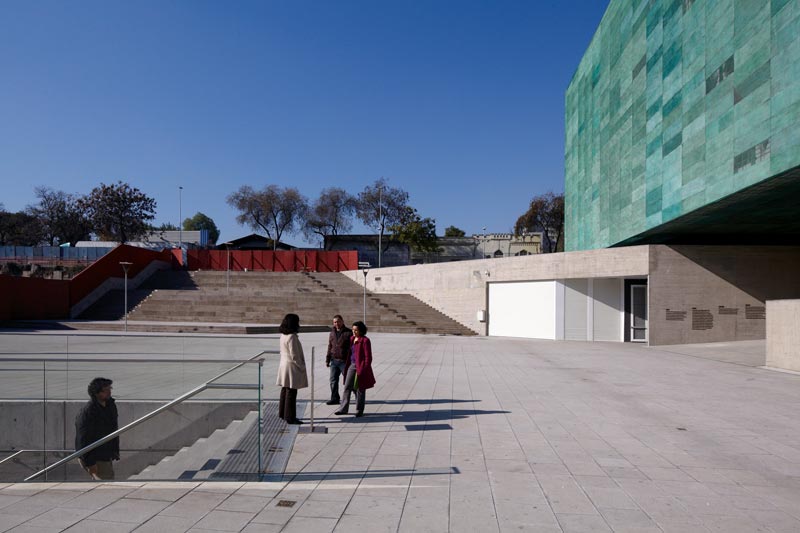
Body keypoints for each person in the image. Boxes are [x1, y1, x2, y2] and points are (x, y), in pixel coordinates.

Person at [75, 377, 120, 480]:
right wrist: (90, 463)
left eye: (110, 388)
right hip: (95, 457)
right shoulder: (88, 412)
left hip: (106, 454)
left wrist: (114, 452)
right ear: (96, 393)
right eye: (105, 390)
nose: (109, 392)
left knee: (106, 483)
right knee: (106, 485)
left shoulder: (110, 405)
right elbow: (83, 439)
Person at [335, 320, 376, 417]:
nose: (354, 332)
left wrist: (364, 368)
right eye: (353, 330)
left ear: (361, 331)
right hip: (352, 365)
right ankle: (343, 409)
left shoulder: (365, 340)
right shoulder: (352, 338)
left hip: (361, 367)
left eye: (356, 330)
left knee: (360, 389)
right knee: (347, 387)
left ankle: (359, 410)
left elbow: (368, 357)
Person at [277, 313, 308, 425]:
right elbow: (294, 355)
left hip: (284, 364)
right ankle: (290, 417)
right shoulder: (292, 337)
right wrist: (302, 366)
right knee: (292, 391)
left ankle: (283, 413)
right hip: (291, 366)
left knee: (285, 390)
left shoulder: (283, 335)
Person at [326, 314, 352, 405]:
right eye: (335, 322)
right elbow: (330, 346)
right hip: (334, 361)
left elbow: (352, 347)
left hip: (344, 361)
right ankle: (334, 398)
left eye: (338, 321)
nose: (336, 323)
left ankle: (358, 397)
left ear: (342, 321)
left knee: (349, 381)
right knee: (333, 380)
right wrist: (327, 359)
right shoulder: (332, 333)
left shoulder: (349, 332)